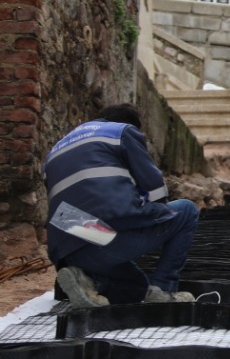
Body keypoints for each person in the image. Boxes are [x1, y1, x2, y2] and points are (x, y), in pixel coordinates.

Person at [43, 103, 199, 308]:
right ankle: (164, 289)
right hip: (106, 238)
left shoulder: (58, 147)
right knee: (187, 210)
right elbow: (155, 189)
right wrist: (159, 222)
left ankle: (89, 282)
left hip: (69, 248)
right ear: (132, 125)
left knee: (136, 287)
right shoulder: (122, 131)